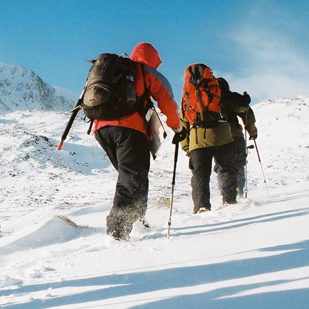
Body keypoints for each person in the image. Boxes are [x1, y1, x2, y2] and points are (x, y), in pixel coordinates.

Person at [92, 42, 182, 241]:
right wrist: (177, 127)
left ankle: (137, 220)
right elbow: (167, 101)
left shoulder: (115, 72)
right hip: (129, 128)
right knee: (132, 176)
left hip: (101, 129)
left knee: (134, 176)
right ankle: (117, 230)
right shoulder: (144, 71)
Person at [179, 67, 237, 213]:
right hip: (222, 136)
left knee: (200, 174)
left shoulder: (187, 94)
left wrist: (187, 147)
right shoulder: (216, 89)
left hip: (198, 140)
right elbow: (237, 106)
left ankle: (201, 206)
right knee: (226, 169)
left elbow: (182, 123)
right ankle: (230, 200)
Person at [216, 77, 258, 197]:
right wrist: (252, 132)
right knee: (238, 163)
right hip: (236, 135)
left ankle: (224, 192)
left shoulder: (209, 100)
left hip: (218, 138)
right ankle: (240, 191)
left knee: (222, 166)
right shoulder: (232, 98)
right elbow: (247, 115)